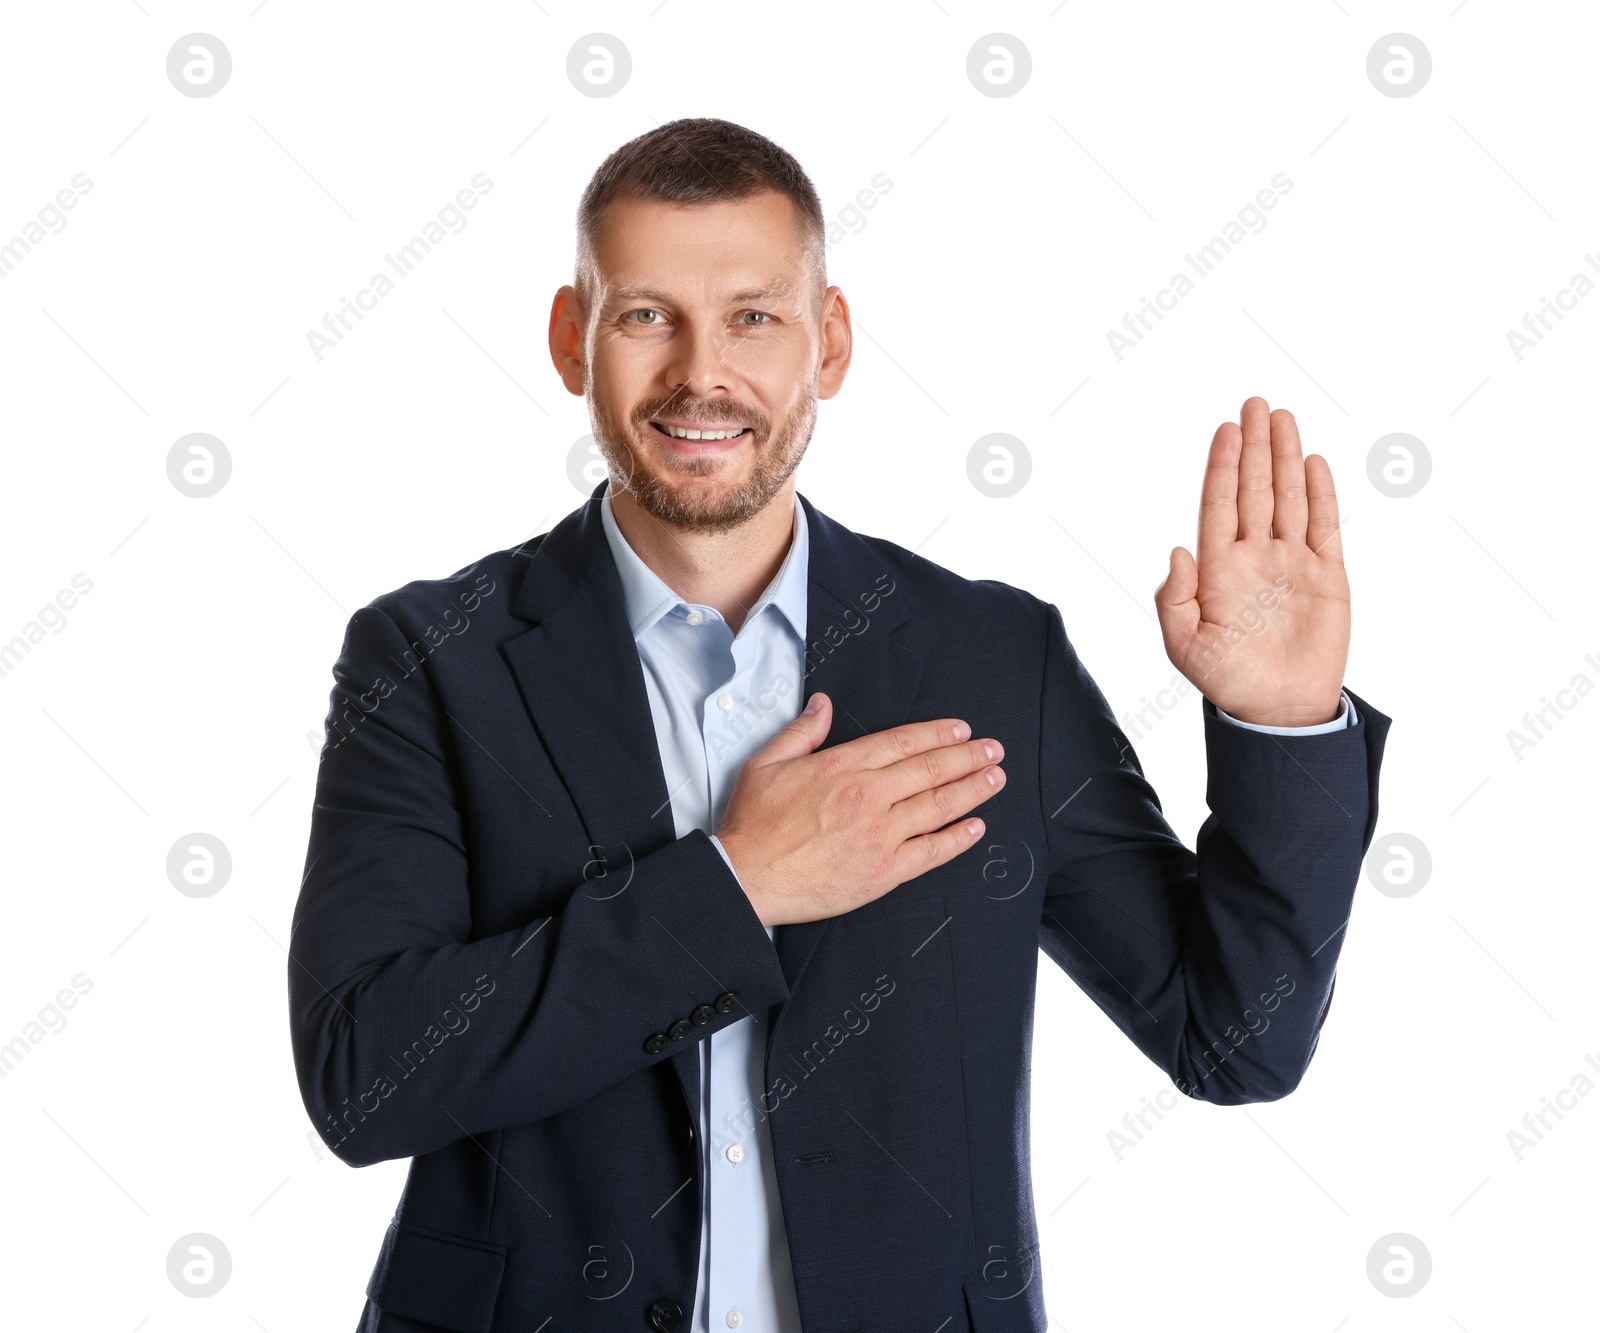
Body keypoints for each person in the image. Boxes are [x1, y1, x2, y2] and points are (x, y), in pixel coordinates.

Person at [288, 117, 1390, 1333]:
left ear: (831, 343)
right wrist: (734, 884)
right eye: (646, 314)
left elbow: (1233, 1040)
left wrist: (1281, 726)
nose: (700, 373)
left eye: (754, 315)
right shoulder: (429, 658)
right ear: (571, 341)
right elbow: (363, 1076)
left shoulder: (989, 656)